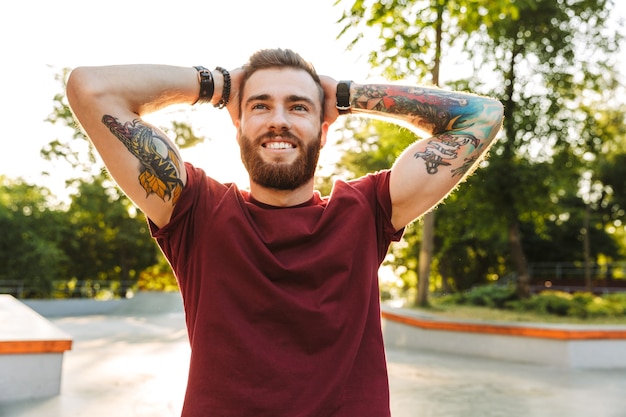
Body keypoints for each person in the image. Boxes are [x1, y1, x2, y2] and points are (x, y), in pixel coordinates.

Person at [66, 48, 504, 417]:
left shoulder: (366, 210)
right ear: (236, 124)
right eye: (259, 105)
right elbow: (89, 88)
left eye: (299, 106)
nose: (279, 120)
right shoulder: (195, 210)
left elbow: (482, 115)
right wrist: (219, 85)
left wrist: (348, 95)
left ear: (324, 128)